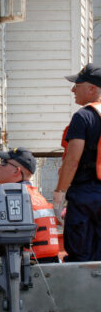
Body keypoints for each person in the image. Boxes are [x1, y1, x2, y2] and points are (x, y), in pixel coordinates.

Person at [53, 63, 101, 262]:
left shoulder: (83, 117)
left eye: (77, 84)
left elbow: (72, 160)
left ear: (92, 88)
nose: (73, 89)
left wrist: (59, 195)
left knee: (80, 256)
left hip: (85, 195)